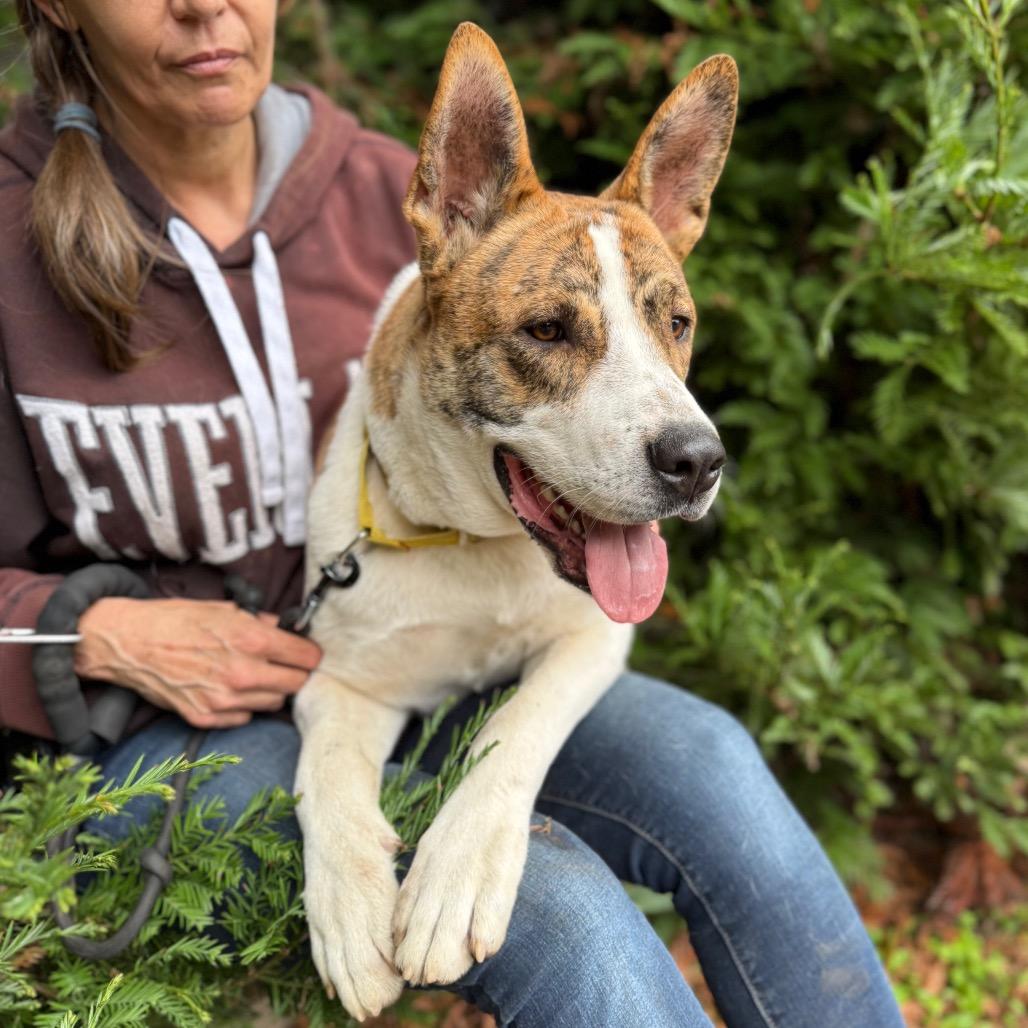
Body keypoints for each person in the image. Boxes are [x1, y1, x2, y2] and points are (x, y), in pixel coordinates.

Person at [0, 2, 905, 1025]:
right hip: (158, 724)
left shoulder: (382, 191)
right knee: (557, 909)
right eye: (551, 331)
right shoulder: (9, 236)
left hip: (415, 655)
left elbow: (591, 608)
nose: (205, 4)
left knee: (716, 771)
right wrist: (95, 634)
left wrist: (499, 775)